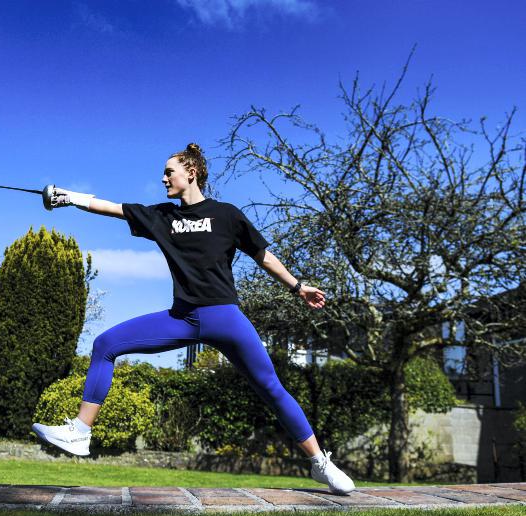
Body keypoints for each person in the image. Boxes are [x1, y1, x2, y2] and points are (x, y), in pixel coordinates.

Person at [32, 143, 355, 494]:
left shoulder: (227, 214)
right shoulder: (162, 217)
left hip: (225, 318)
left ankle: (320, 463)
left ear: (191, 172)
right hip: (182, 318)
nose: (163, 178)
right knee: (106, 344)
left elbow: (262, 255)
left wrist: (298, 287)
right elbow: (112, 208)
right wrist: (67, 197)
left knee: (270, 388)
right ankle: (81, 432)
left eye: (168, 171)